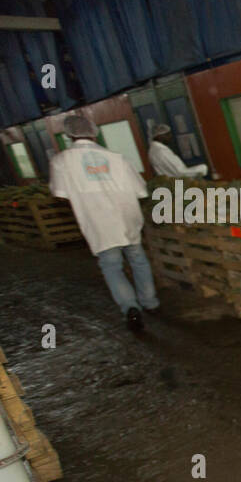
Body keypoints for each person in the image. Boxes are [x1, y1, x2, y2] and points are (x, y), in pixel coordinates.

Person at [48, 114, 158, 330]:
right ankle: (150, 301)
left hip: (99, 221)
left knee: (111, 266)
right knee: (138, 260)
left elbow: (60, 194)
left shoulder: (62, 161)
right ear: (93, 131)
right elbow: (141, 190)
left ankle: (130, 308)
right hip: (127, 216)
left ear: (69, 134)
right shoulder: (117, 157)